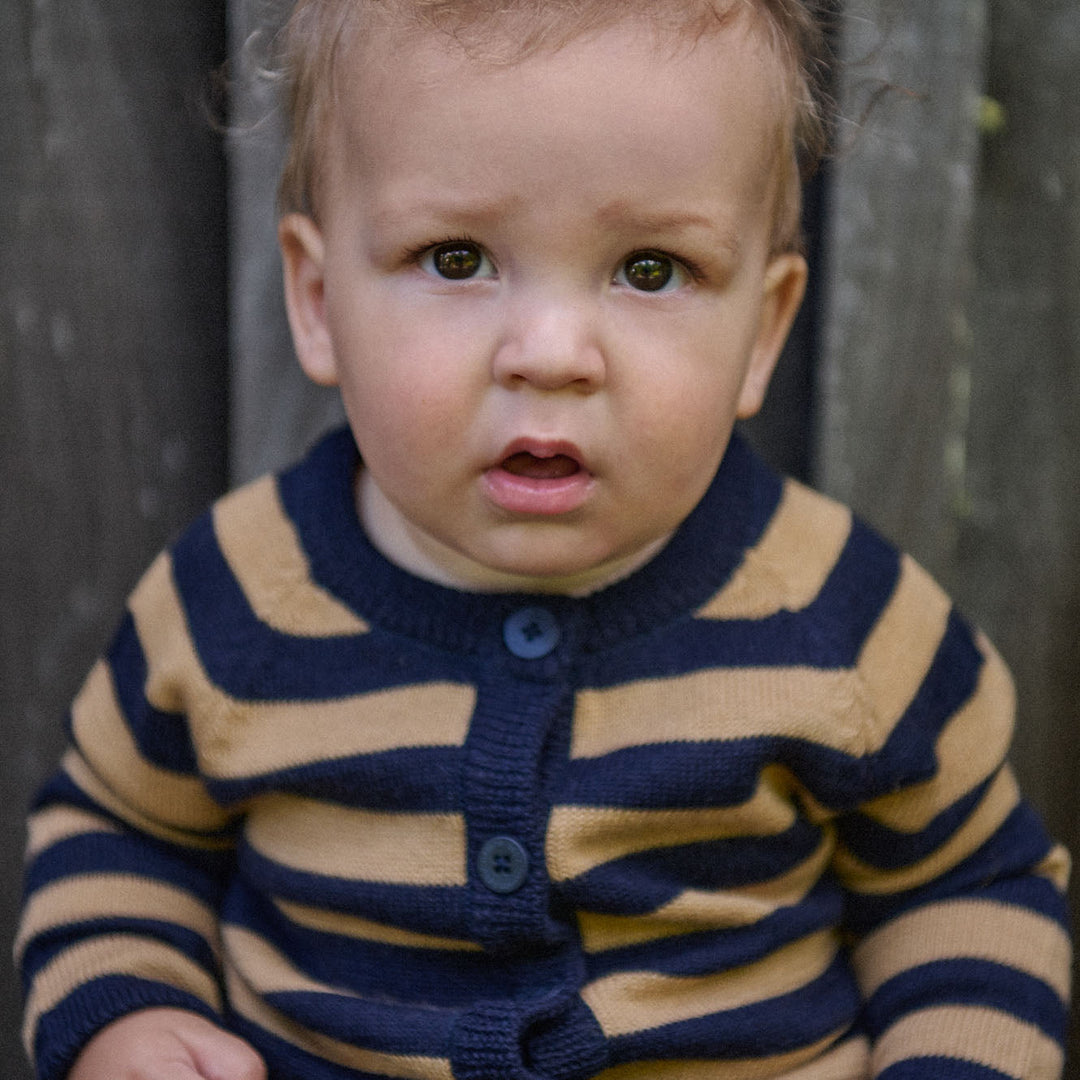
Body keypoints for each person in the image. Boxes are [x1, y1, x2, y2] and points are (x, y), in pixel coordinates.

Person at [16, 1, 1071, 1078]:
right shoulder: (234, 599)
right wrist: (125, 1016)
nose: (553, 353)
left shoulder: (847, 621)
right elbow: (115, 837)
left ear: (761, 329)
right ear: (320, 298)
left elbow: (973, 890)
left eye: (650, 269)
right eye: (459, 256)